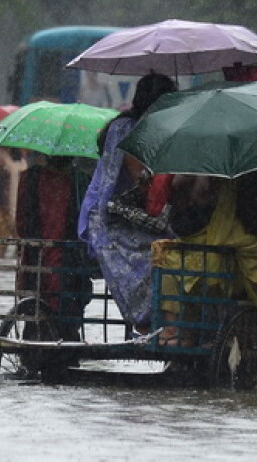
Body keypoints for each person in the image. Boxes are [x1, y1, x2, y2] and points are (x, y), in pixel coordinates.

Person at [78, 72, 177, 333]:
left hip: (131, 212)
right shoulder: (127, 130)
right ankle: (150, 319)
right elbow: (140, 180)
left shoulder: (148, 128)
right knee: (161, 251)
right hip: (107, 217)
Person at [156, 164, 257, 345]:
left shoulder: (228, 201)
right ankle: (185, 332)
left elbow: (194, 191)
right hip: (241, 258)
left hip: (227, 261)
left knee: (172, 258)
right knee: (183, 259)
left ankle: (176, 330)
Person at [16, 154, 94, 340]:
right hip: (71, 263)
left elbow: (21, 224)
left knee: (36, 311)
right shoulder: (81, 181)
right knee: (67, 314)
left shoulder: (30, 178)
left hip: (36, 260)